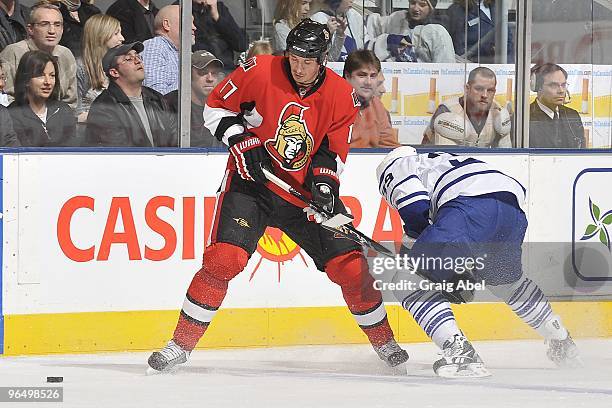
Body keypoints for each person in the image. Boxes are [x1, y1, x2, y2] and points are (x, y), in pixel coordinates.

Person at [147, 19, 408, 373]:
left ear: (322, 59)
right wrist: (241, 139)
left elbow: (331, 151)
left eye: (307, 61)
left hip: (302, 196)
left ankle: (385, 342)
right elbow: (215, 107)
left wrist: (324, 187)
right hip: (251, 186)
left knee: (351, 267)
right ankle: (179, 345)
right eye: (294, 58)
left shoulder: (339, 95)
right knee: (224, 260)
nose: (298, 67)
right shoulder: (260, 69)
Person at [376, 147, 581, 377]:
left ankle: (461, 354)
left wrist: (431, 268)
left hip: (470, 207)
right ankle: (561, 339)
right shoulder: (438, 161)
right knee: (505, 283)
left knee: (406, 281)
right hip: (511, 208)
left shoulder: (393, 166)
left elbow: (416, 211)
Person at [85, 42, 177, 147]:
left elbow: (175, 141)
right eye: (129, 59)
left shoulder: (157, 99)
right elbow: (118, 155)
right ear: (114, 72)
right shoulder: (104, 107)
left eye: (138, 57)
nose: (138, 61)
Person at [0, 2, 77, 108]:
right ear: (30, 29)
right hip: (19, 119)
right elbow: (5, 99)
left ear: (62, 29)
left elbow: (71, 102)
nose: (52, 31)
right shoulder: (13, 53)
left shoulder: (66, 55)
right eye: (44, 24)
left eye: (57, 25)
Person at [422, 67, 512, 147]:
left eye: (490, 90)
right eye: (479, 89)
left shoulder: (498, 114)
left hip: (484, 164)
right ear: (467, 88)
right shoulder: (447, 111)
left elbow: (507, 156)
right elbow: (436, 154)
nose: (485, 95)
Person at [8, 50, 76, 146]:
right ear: (26, 79)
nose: (48, 82)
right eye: (40, 75)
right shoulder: (12, 114)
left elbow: (72, 149)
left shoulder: (63, 110)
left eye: (52, 76)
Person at [164, 50, 224, 148]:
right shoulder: (169, 104)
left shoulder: (224, 107)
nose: (210, 79)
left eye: (214, 73)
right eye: (202, 73)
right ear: (188, 75)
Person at [366, 0, 455, 63]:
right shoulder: (397, 19)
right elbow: (373, 26)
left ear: (431, 8)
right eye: (413, 3)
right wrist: (388, 41)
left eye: (422, 5)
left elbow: (445, 65)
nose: (416, 9)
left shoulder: (437, 32)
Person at [343, 50, 399, 148]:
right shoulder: (330, 103)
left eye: (373, 76)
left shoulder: (377, 104)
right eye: (362, 75)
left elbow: (389, 145)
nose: (368, 82)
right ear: (347, 76)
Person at [141, 4, 195, 95]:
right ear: (167, 25)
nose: (194, 27)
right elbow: (155, 95)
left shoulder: (187, 53)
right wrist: (193, 82)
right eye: (188, 21)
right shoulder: (155, 46)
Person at [529, 63, 585, 148]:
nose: (561, 91)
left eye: (563, 85)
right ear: (537, 87)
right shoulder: (524, 118)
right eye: (553, 85)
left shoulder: (572, 115)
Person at [182, 0, 247, 71]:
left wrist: (216, 16)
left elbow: (241, 45)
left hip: (225, 69)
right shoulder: (181, 8)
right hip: (199, 71)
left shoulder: (219, 8)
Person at [445, 0, 514, 63]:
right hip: (473, 66)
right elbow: (459, 47)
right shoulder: (457, 10)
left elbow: (508, 36)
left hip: (503, 65)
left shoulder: (497, 6)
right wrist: (489, 48)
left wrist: (500, 49)